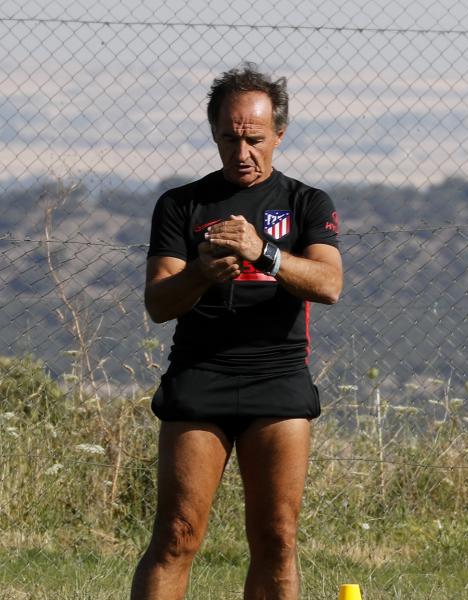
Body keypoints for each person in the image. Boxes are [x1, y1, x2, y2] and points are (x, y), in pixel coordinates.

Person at [132, 63, 343, 600]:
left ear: (279, 135)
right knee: (177, 536)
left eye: (254, 139)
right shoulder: (181, 204)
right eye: (230, 139)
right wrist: (201, 272)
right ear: (215, 135)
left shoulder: (307, 202)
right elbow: (158, 303)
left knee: (276, 540)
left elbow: (329, 283)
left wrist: (263, 253)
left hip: (278, 379)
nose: (242, 152)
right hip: (200, 377)